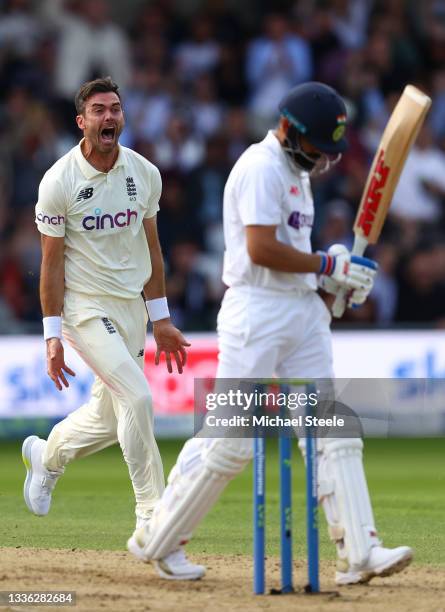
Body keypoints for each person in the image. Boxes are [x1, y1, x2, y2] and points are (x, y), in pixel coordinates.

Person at [127, 82, 413, 584]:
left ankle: (360, 549)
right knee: (230, 439)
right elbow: (260, 250)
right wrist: (327, 264)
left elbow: (296, 256)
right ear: (288, 129)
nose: (324, 159)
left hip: (300, 311)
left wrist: (335, 280)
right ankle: (159, 539)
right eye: (317, 147)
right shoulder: (261, 167)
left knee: (329, 425)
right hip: (255, 312)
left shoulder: (297, 173)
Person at [22, 76, 203, 579]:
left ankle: (47, 456)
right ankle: (156, 524)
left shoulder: (144, 174)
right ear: (81, 122)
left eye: (115, 109)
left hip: (130, 311)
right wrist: (52, 335)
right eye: (99, 110)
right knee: (140, 399)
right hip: (83, 309)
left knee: (109, 416)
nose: (109, 118)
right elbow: (51, 265)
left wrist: (160, 316)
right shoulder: (59, 181)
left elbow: (152, 248)